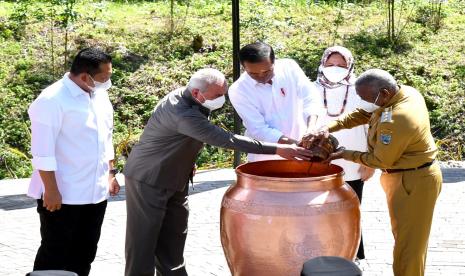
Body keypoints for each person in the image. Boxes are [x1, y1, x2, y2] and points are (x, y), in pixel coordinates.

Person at [123, 68, 313, 276]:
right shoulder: (182, 113)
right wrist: (277, 149)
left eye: (224, 92)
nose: (222, 99)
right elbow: (225, 139)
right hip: (149, 178)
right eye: (218, 95)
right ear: (197, 93)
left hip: (176, 177)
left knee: (174, 235)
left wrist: (187, 159)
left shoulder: (191, 98)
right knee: (143, 240)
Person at [303, 69, 442, 276]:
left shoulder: (397, 118)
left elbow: (380, 159)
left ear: (384, 93)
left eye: (367, 98)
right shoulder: (404, 93)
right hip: (403, 176)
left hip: (413, 181)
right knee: (405, 238)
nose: (364, 102)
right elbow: (361, 114)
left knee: (409, 247)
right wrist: (328, 128)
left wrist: (343, 154)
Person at [27, 48, 120, 276]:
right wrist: (50, 190)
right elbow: (42, 152)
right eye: (104, 78)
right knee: (55, 254)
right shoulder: (51, 100)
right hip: (63, 195)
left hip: (96, 193)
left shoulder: (98, 94)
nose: (108, 82)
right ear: (85, 76)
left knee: (85, 253)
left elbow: (106, 136)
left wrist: (111, 173)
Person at [314, 46, 375, 260]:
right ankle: (323, 254)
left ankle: (355, 255)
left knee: (352, 209)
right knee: (319, 210)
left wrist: (370, 161)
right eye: (330, 64)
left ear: (349, 65)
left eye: (341, 65)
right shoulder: (311, 89)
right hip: (320, 161)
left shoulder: (362, 90)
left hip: (354, 160)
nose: (335, 69)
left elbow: (372, 127)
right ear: (322, 64)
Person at [228, 41, 323, 162]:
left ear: (274, 62)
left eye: (267, 71)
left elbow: (310, 96)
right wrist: (295, 144)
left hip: (303, 148)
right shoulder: (238, 90)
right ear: (244, 67)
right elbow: (258, 128)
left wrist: (312, 128)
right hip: (266, 155)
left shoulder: (289, 67)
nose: (262, 77)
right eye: (253, 74)